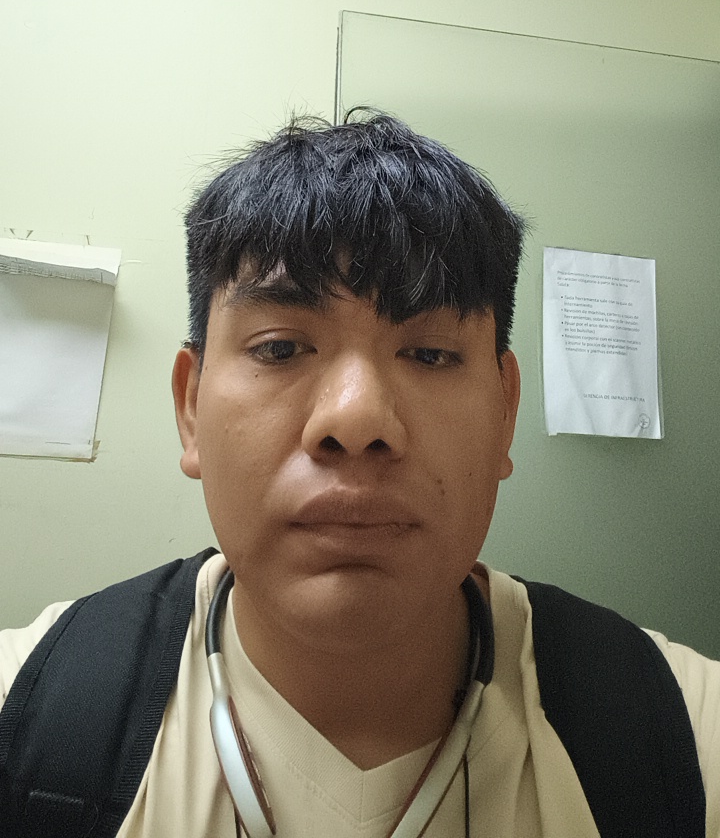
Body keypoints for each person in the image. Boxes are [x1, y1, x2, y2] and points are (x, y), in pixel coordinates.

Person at [1, 111, 719, 838]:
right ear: (191, 407)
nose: (356, 420)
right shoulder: (25, 710)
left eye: (431, 354)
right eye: (280, 348)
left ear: (506, 412)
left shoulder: (686, 736)